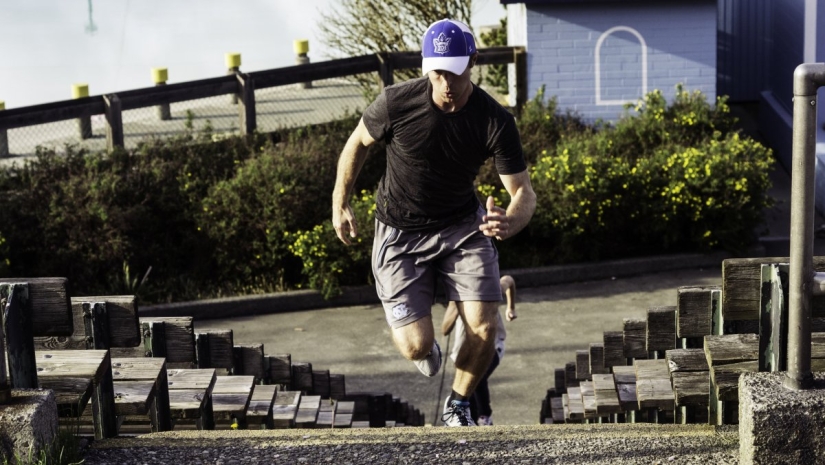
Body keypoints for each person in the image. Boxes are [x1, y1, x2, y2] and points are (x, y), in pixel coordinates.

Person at [331, 18, 536, 427]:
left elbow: (523, 193)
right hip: (398, 229)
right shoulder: (396, 102)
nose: (445, 84)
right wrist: (341, 203)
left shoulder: (494, 120)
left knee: (484, 322)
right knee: (416, 346)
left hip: (462, 226)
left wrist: (510, 220)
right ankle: (425, 351)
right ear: (426, 67)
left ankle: (458, 403)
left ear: (472, 62)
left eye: (454, 73)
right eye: (437, 72)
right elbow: (356, 144)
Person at [441, 275, 516, 426]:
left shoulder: (490, 288)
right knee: (467, 388)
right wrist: (456, 306)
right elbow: (445, 329)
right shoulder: (456, 298)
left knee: (477, 376)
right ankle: (470, 419)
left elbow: (509, 281)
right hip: (463, 350)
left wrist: (511, 308)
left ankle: (485, 416)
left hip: (493, 346)